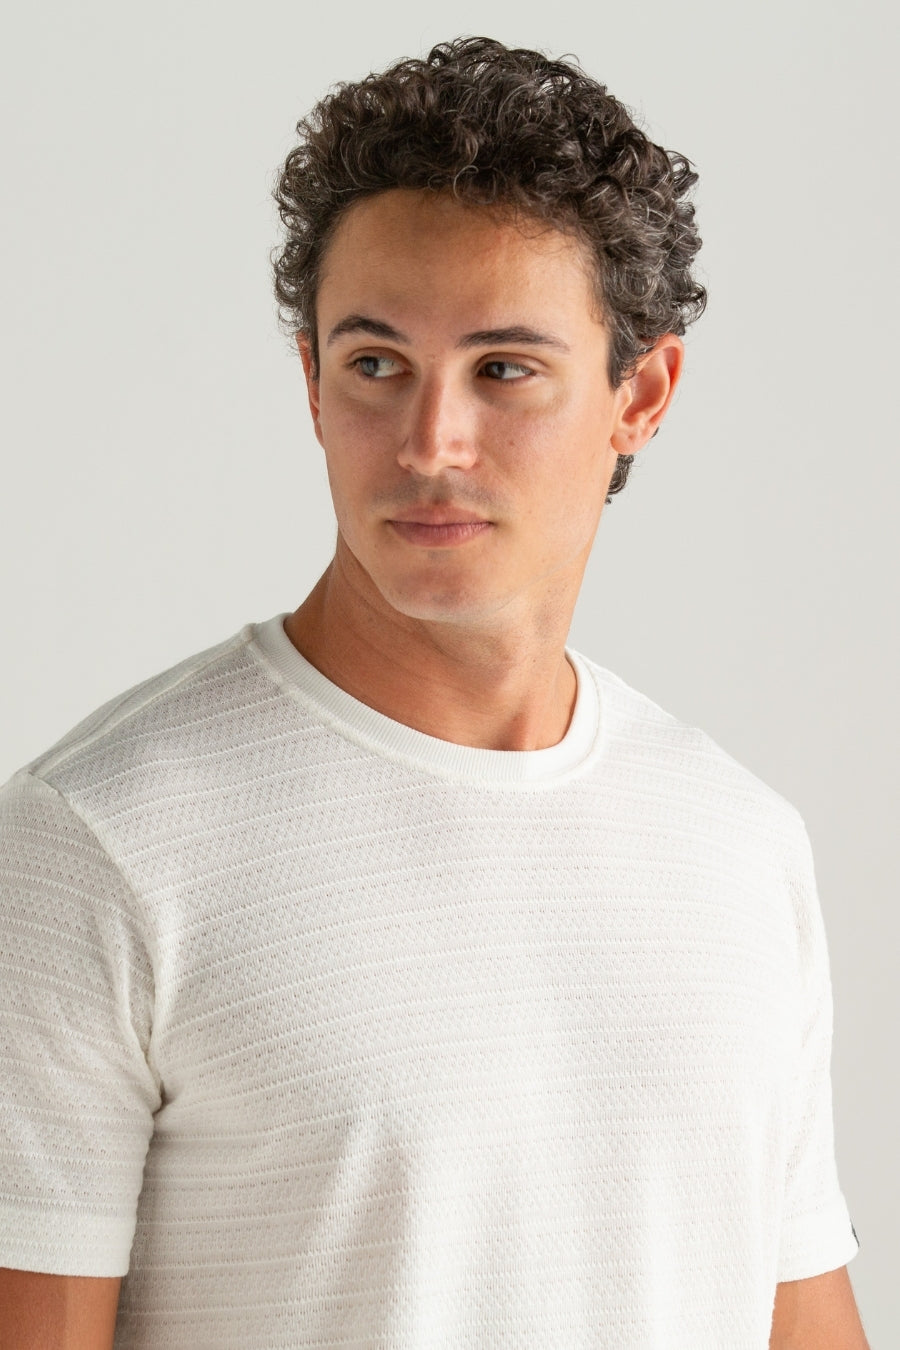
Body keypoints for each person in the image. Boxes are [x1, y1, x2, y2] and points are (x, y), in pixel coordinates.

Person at [0, 35, 869, 1350]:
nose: (429, 443)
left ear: (640, 393)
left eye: (503, 369)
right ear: (311, 382)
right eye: (376, 364)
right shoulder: (100, 844)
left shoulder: (740, 847)